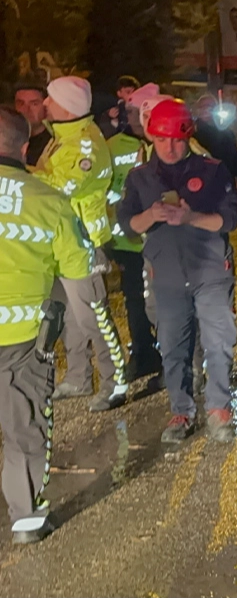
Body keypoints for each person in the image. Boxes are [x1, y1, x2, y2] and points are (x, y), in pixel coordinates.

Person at [118, 99, 237, 443]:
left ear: (189, 135)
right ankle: (181, 411)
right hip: (167, 275)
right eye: (161, 140)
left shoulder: (213, 170)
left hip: (211, 270)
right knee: (173, 346)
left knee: (219, 340)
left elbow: (229, 219)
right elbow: (128, 224)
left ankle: (219, 408)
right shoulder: (139, 177)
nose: (169, 148)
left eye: (176, 139)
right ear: (150, 137)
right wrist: (151, 216)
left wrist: (190, 218)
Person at [0, 106, 94, 543]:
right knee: (25, 430)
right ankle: (25, 520)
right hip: (22, 344)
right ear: (24, 147)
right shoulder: (48, 201)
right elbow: (78, 275)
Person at [31, 76, 128, 412]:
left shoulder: (84, 144)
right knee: (68, 316)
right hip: (59, 241)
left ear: (68, 106)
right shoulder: (62, 137)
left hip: (82, 244)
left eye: (51, 99)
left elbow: (62, 186)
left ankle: (116, 382)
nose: (45, 104)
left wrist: (20, 174)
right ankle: (78, 377)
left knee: (94, 319)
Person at [105, 119, 161, 378]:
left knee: (166, 300)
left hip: (161, 239)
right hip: (129, 241)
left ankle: (174, 355)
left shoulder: (164, 144)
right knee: (136, 300)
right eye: (131, 111)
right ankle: (144, 353)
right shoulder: (112, 146)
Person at [194, 94, 237, 194]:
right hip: (202, 186)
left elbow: (235, 156)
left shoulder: (226, 132)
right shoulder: (192, 134)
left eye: (210, 106)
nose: (206, 110)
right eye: (203, 107)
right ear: (198, 110)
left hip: (227, 182)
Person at [13, 85, 51, 167]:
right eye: (21, 103)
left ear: (46, 107)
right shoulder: (7, 137)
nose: (26, 109)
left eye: (34, 104)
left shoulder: (53, 142)